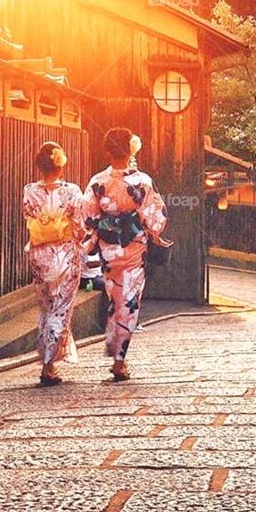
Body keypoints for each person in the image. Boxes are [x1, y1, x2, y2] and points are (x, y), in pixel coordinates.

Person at [83, 128, 168, 382]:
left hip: (110, 249)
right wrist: (154, 232)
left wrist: (94, 236)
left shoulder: (98, 181)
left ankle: (113, 340)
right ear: (131, 150)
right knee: (129, 298)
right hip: (133, 247)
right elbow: (155, 216)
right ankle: (119, 360)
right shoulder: (141, 181)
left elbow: (88, 216)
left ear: (107, 151)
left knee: (114, 295)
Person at [23, 140, 85, 386]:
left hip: (38, 253)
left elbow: (28, 214)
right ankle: (49, 365)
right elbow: (80, 223)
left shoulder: (29, 190)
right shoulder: (72, 191)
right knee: (61, 307)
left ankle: (47, 358)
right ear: (61, 164)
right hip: (64, 252)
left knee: (46, 305)